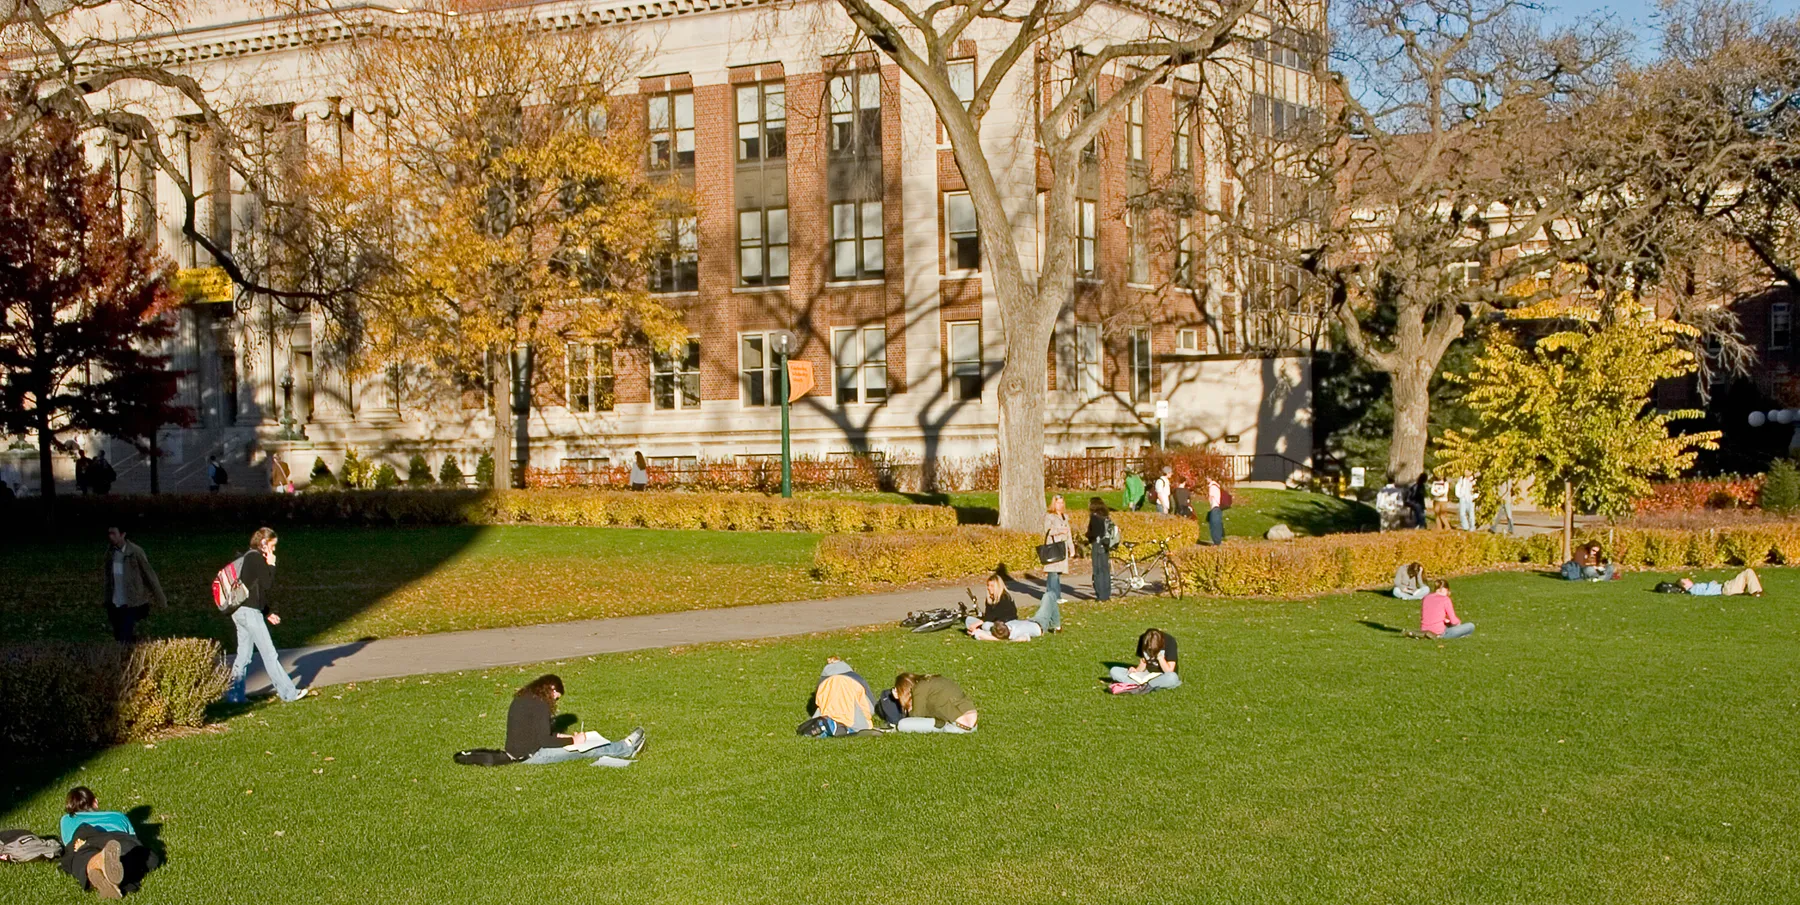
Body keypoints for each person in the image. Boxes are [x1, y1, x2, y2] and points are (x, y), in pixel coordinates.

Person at [225, 528, 308, 704]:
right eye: (272, 546)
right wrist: (271, 563)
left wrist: (267, 612)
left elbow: (255, 592)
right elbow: (267, 583)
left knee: (244, 655)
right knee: (270, 654)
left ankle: (234, 695)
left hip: (240, 611)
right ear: (263, 543)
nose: (274, 550)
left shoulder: (249, 557)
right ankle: (288, 693)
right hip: (249, 614)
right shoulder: (255, 558)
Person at [505, 674, 646, 764]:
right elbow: (544, 740)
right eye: (556, 698)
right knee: (584, 749)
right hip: (531, 756)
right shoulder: (541, 704)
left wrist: (560, 736)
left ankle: (622, 747)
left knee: (579, 745)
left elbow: (533, 731)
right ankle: (626, 748)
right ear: (552, 690)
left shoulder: (525, 698)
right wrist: (573, 741)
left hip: (516, 752)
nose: (555, 702)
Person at [58, 787, 160, 898]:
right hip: (116, 838)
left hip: (84, 838)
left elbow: (67, 841)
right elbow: (133, 837)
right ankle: (115, 870)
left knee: (81, 857)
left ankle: (96, 864)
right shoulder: (118, 816)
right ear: (95, 802)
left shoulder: (66, 820)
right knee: (140, 857)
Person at [101, 526, 166, 643]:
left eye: (114, 534)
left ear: (123, 534)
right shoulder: (110, 553)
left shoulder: (135, 552)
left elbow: (149, 575)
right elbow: (108, 578)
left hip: (131, 602)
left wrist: (160, 599)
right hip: (115, 603)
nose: (111, 537)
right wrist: (107, 599)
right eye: (109, 533)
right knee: (118, 635)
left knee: (127, 635)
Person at [807, 658, 876, 735]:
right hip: (855, 723)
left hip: (826, 719)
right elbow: (871, 707)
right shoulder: (857, 679)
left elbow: (819, 702)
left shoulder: (822, 682)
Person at [891, 672, 977, 733]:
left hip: (957, 727)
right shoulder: (933, 681)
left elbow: (916, 716)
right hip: (973, 725)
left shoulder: (919, 688)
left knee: (902, 724)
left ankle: (943, 724)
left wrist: (899, 698)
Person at [1108, 627, 1181, 691]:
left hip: (1161, 675)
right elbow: (1143, 663)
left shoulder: (1170, 641)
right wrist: (1135, 671)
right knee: (1114, 670)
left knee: (1172, 678)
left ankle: (1140, 686)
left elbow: (1169, 671)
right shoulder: (1143, 638)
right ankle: (1145, 686)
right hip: (1146, 674)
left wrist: (1160, 658)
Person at [1037, 495, 1071, 632]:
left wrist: (1071, 548)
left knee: (1057, 573)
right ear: (1054, 504)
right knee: (1053, 573)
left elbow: (1069, 533)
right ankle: (1055, 595)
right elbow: (1048, 530)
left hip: (1062, 547)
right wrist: (1059, 531)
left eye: (1062, 503)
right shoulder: (1049, 516)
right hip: (1053, 547)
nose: (1060, 505)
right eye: (1058, 503)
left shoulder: (1065, 516)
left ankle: (1053, 595)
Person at [1085, 497, 1114, 602]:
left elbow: (1093, 533)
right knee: (1105, 570)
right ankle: (1107, 594)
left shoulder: (1094, 517)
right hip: (1105, 545)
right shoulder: (1106, 517)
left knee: (1097, 570)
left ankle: (1100, 595)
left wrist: (1087, 537)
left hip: (1097, 545)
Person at [1678, 569, 1763, 597]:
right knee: (1748, 571)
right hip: (1726, 588)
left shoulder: (1694, 588)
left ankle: (1756, 591)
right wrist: (1711, 584)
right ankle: (1756, 592)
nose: (1688, 579)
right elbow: (1706, 592)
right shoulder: (1694, 589)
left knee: (1747, 574)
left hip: (1727, 588)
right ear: (1685, 585)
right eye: (1686, 580)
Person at [965, 615, 1045, 642]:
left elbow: (1025, 637)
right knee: (986, 625)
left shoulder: (1015, 634)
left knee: (1049, 596)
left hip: (1040, 624)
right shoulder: (1009, 629)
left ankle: (973, 627)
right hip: (1033, 621)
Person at [1203, 476, 1225, 546]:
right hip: (1218, 508)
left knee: (1214, 526)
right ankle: (1218, 541)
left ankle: (1216, 542)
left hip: (1214, 507)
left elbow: (1210, 497)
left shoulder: (1212, 486)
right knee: (1217, 525)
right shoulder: (1217, 486)